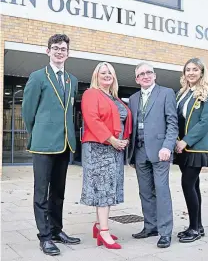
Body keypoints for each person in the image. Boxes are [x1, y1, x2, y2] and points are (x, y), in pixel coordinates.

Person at [22, 34, 81, 256]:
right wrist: (38, 133)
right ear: (48, 51)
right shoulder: (37, 77)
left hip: (64, 144)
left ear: (68, 53)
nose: (59, 52)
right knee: (41, 193)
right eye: (55, 48)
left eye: (63, 49)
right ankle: (45, 237)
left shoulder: (72, 80)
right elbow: (28, 112)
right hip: (43, 144)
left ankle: (57, 230)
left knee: (58, 192)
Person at [80, 62, 132, 250]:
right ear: (96, 76)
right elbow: (92, 119)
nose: (107, 75)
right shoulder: (91, 94)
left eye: (110, 72)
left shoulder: (114, 97)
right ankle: (104, 232)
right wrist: (112, 139)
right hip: (99, 148)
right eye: (103, 72)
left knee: (109, 188)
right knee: (103, 191)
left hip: (114, 149)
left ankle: (97, 226)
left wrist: (122, 140)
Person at [128, 62, 178, 248]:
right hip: (139, 151)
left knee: (162, 190)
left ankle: (165, 232)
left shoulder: (166, 93)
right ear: (137, 79)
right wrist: (131, 154)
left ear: (155, 75)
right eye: (141, 74)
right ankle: (150, 226)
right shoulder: (133, 98)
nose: (146, 76)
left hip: (160, 151)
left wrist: (167, 146)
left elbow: (172, 123)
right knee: (145, 192)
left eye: (149, 72)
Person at [174, 58, 208, 243]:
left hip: (195, 148)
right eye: (188, 70)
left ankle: (193, 228)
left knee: (187, 184)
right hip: (181, 147)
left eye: (195, 69)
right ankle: (197, 226)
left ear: (202, 72)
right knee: (194, 186)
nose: (191, 72)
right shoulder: (182, 93)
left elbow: (205, 122)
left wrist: (186, 141)